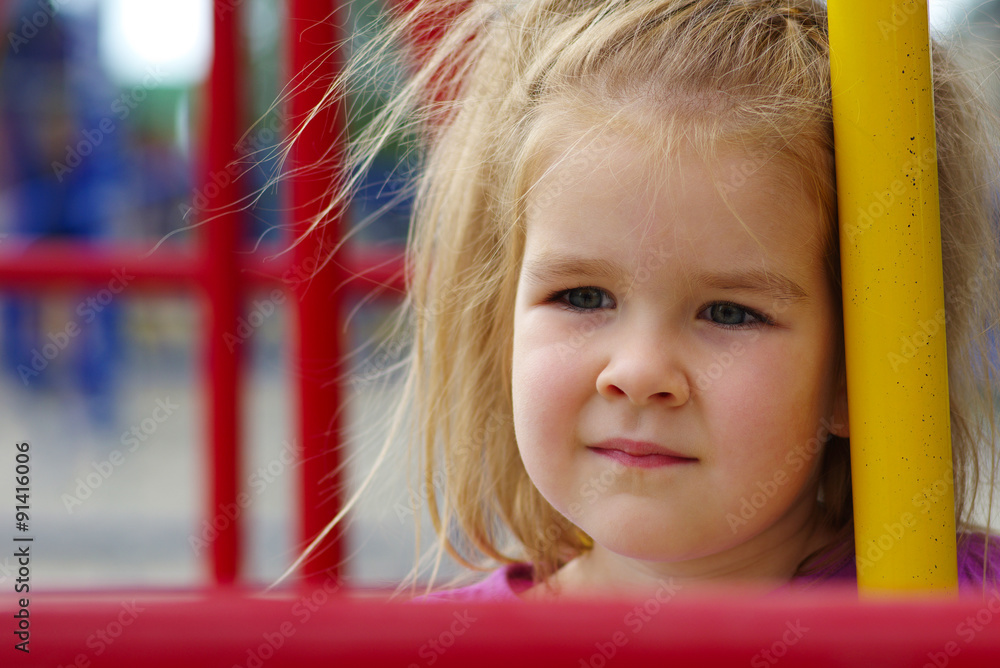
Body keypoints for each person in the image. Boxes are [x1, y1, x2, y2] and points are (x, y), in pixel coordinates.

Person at [294, 0, 1000, 599]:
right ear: (501, 324)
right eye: (582, 296)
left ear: (858, 369)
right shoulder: (445, 647)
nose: (637, 372)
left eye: (729, 312)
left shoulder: (962, 612)